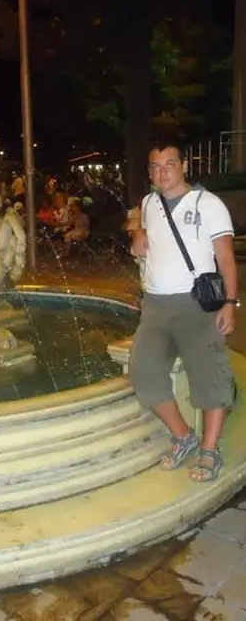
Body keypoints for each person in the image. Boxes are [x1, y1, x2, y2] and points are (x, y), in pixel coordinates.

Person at [129, 139, 238, 482]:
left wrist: (230, 303)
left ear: (184, 166)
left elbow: (226, 258)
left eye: (170, 164)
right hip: (155, 306)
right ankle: (183, 436)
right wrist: (138, 234)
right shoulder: (149, 203)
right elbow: (142, 226)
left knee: (209, 377)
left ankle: (209, 450)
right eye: (155, 167)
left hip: (197, 304)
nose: (163, 173)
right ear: (150, 172)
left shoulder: (209, 204)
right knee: (143, 373)